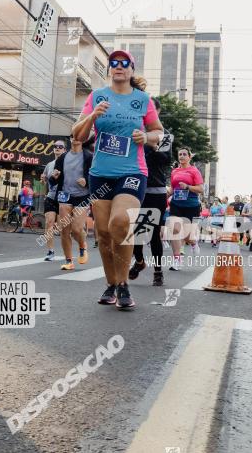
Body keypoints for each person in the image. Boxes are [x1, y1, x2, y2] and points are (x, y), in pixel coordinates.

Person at [71, 50, 162, 310]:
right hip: (100, 173)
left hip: (133, 171)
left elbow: (158, 132)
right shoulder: (96, 96)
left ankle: (124, 285)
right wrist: (93, 116)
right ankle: (111, 284)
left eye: (124, 63)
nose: (118, 66)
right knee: (103, 232)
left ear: (131, 70)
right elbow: (77, 135)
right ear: (110, 68)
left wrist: (147, 138)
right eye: (114, 63)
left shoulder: (143, 100)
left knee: (120, 222)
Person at [128, 98, 174, 287]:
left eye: (151, 109)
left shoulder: (163, 135)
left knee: (153, 232)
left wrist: (151, 143)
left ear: (158, 112)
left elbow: (165, 160)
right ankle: (139, 261)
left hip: (155, 189)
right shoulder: (133, 128)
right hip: (132, 186)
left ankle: (158, 271)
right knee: (135, 232)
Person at [49, 135, 93, 270]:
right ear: (70, 138)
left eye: (80, 135)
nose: (76, 138)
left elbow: (95, 176)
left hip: (82, 196)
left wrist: (87, 182)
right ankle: (69, 261)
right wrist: (53, 177)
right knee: (64, 230)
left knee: (76, 229)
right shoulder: (62, 158)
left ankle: (82, 245)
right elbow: (53, 181)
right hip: (64, 195)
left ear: (83, 139)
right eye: (73, 135)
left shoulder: (89, 156)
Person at [167, 148, 205, 270]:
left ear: (189, 157)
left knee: (187, 236)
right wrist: (165, 196)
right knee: (175, 230)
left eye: (184, 154)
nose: (182, 156)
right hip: (176, 204)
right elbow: (172, 189)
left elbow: (200, 189)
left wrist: (188, 187)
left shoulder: (194, 171)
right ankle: (177, 260)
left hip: (191, 205)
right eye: (180, 154)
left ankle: (193, 242)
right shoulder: (174, 171)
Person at [41, 140, 66, 261]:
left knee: (63, 227)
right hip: (51, 196)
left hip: (63, 198)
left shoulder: (68, 163)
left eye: (60, 147)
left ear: (64, 150)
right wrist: (44, 179)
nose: (57, 148)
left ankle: (71, 250)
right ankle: (50, 251)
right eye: (55, 146)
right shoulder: (49, 165)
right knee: (49, 223)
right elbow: (44, 178)